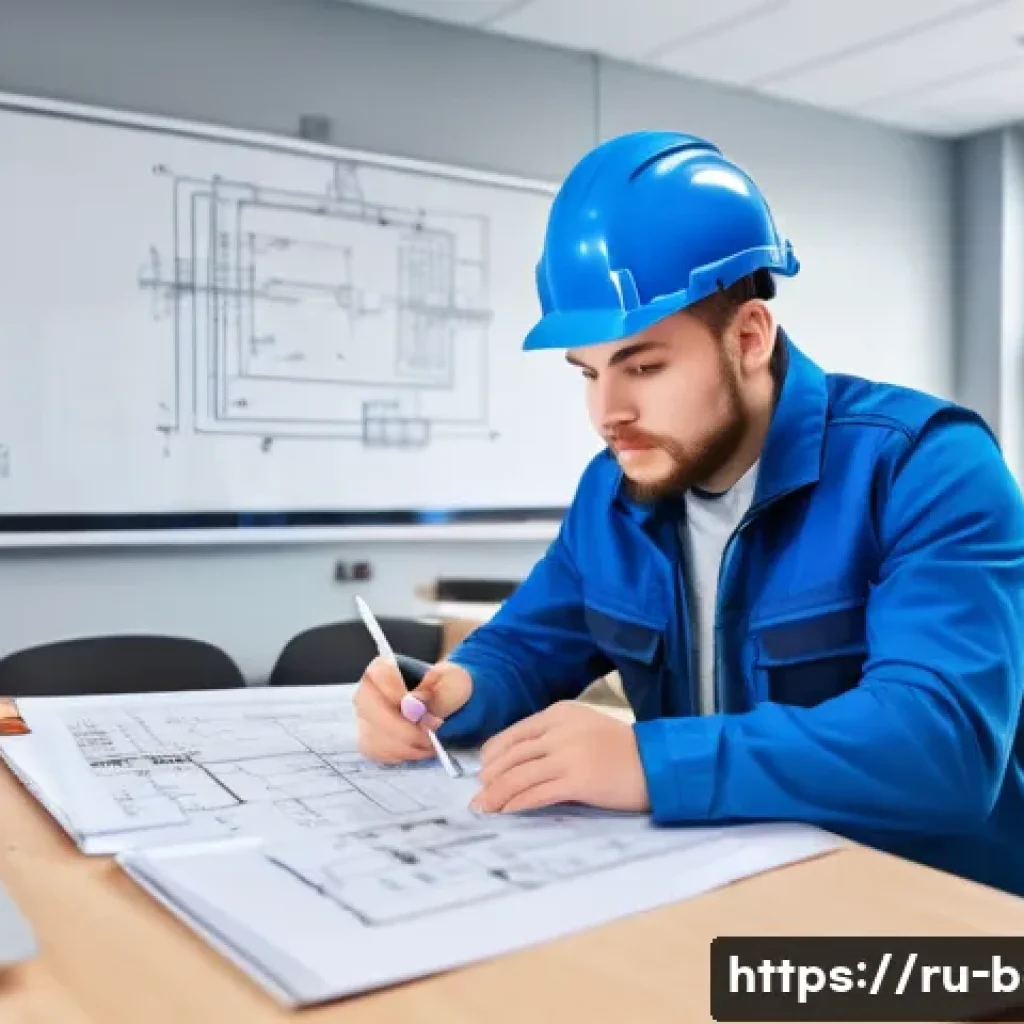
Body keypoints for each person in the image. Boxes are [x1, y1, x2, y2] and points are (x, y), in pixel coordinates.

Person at [354, 130, 1024, 898]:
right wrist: (448, 693)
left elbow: (941, 749)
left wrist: (650, 762)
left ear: (748, 337)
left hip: (933, 926)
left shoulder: (924, 466)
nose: (608, 413)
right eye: (588, 373)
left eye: (644, 366)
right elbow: (524, 646)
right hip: (719, 888)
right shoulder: (614, 492)